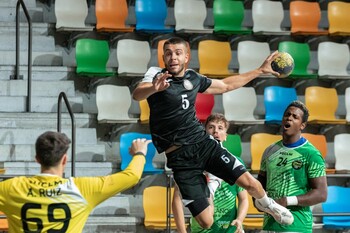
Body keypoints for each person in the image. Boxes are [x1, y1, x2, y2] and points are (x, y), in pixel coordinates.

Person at [132, 36, 293, 229]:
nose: (172, 57)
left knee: (251, 183)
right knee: (206, 222)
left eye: (177, 53)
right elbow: (137, 94)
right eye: (168, 54)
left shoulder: (193, 78)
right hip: (179, 158)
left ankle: (267, 204)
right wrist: (154, 87)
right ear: (164, 58)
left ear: (186, 57)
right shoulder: (156, 74)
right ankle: (212, 184)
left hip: (203, 145)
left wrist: (259, 70)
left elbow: (226, 85)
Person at [0, 131, 151, 233]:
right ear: (65, 159)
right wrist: (139, 153)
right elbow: (132, 176)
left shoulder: (12, 188)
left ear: (37, 159)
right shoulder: (82, 189)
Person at [256, 100, 328, 233]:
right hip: (269, 225)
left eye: (295, 117)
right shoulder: (269, 151)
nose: (289, 118)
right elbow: (260, 185)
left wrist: (287, 201)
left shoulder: (311, 154)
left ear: (302, 125)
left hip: (297, 225)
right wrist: (259, 200)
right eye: (287, 115)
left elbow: (321, 194)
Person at [173, 113, 249, 233]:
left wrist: (239, 220)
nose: (215, 132)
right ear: (204, 133)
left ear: (225, 136)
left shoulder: (236, 163)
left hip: (229, 230)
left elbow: (244, 199)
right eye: (211, 127)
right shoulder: (192, 164)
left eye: (220, 128)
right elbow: (177, 200)